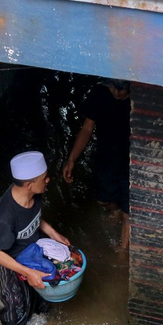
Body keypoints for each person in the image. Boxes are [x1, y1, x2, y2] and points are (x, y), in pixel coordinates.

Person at [0, 151, 71, 325]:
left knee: (41, 296)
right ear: (28, 184)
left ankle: (42, 324)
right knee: (17, 307)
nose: (48, 180)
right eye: (44, 178)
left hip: (33, 250)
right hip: (11, 260)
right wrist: (26, 272)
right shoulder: (4, 217)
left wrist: (53, 233)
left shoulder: (35, 193)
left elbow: (34, 217)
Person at [63, 78, 131, 250]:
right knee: (103, 200)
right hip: (106, 156)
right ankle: (115, 209)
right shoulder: (99, 94)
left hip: (131, 160)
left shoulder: (138, 100)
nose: (117, 93)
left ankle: (122, 251)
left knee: (128, 213)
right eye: (113, 88)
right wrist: (72, 159)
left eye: (122, 89)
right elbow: (87, 129)